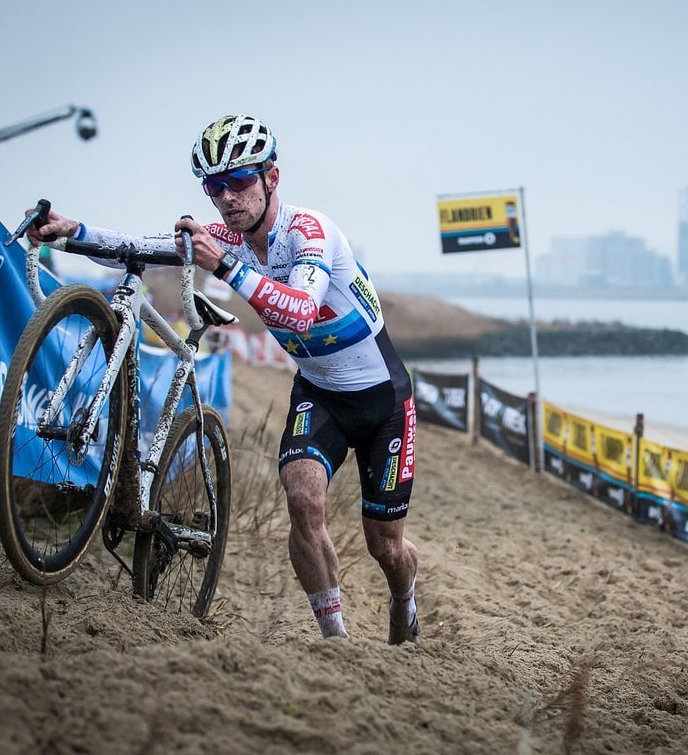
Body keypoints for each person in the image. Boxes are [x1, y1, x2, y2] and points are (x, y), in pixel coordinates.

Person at [28, 114, 420, 645]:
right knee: (302, 502)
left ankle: (404, 600)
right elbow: (142, 245)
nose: (227, 198)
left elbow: (301, 312)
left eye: (239, 181)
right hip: (320, 394)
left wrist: (227, 269)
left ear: (272, 179)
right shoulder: (223, 238)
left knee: (385, 547)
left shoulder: (312, 233)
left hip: (383, 400)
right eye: (214, 187)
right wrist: (74, 233)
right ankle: (338, 644)